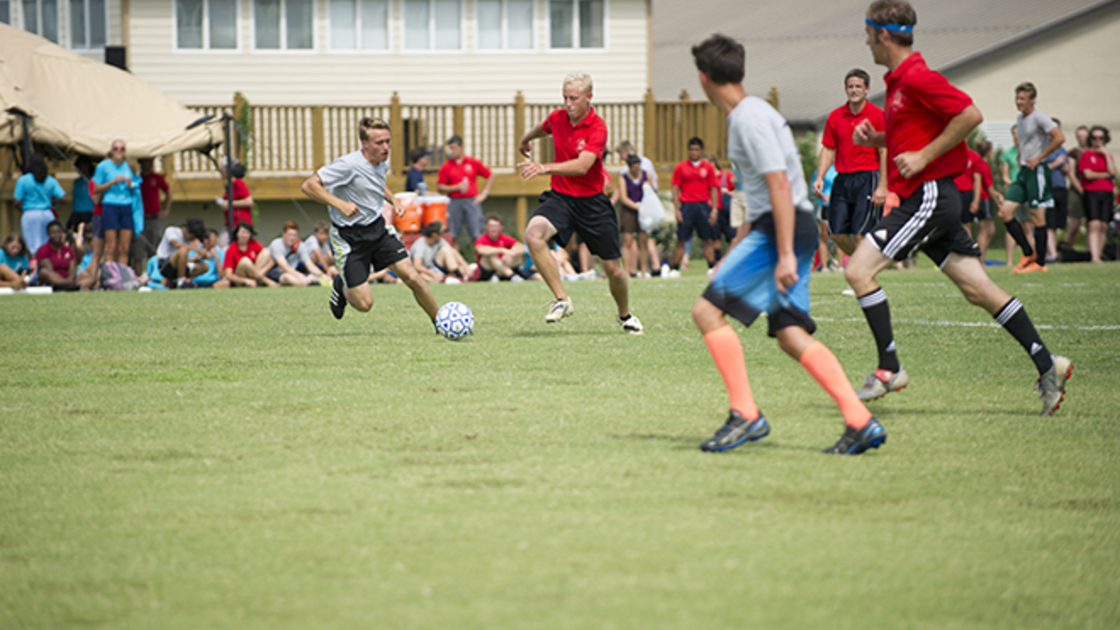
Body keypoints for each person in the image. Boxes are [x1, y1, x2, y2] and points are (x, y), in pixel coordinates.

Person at [844, 0, 1071, 416]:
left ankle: (889, 368)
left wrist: (925, 156)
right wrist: (875, 139)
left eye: (866, 34)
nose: (865, 42)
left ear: (881, 34)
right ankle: (1048, 365)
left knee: (857, 270)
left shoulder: (917, 77)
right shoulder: (898, 82)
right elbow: (911, 135)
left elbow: (970, 115)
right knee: (978, 290)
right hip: (931, 199)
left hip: (929, 195)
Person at [688, 34, 884, 455]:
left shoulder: (746, 118)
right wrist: (736, 248)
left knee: (706, 312)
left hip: (783, 228)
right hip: (787, 225)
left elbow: (779, 183)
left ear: (704, 78)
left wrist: (784, 255)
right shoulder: (754, 111)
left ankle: (745, 414)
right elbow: (763, 191)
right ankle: (860, 420)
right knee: (791, 334)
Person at [517, 72, 643, 334]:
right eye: (565, 98)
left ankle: (625, 315)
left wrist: (544, 167)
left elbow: (583, 166)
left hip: (592, 204)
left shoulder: (598, 127)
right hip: (561, 198)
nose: (568, 103)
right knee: (533, 235)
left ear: (588, 98)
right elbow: (544, 128)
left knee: (614, 271)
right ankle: (562, 300)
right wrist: (526, 139)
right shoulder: (557, 118)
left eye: (573, 98)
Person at [300, 117, 440, 325]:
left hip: (377, 229)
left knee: (411, 276)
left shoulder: (381, 162)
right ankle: (341, 284)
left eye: (388, 141)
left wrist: (393, 200)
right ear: (365, 144)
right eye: (379, 143)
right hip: (349, 238)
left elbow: (376, 183)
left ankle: (441, 323)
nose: (386, 147)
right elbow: (309, 185)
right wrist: (340, 204)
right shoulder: (348, 165)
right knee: (365, 304)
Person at [812, 68, 888, 257]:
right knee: (836, 234)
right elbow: (828, 148)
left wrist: (883, 186)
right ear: (846, 89)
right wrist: (820, 177)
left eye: (858, 86)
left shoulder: (877, 115)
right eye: (850, 87)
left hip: (868, 177)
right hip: (843, 179)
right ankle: (861, 267)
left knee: (860, 234)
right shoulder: (835, 116)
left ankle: (861, 276)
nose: (854, 90)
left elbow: (884, 150)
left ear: (867, 89)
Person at [996, 83, 1065, 273]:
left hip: (1038, 171)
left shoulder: (1040, 117)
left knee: (1037, 218)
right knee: (1005, 213)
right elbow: (1023, 142)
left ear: (1032, 100)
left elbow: (1059, 138)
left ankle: (1040, 263)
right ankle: (1028, 253)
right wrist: (1020, 155)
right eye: (1017, 98)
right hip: (1024, 171)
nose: (1018, 102)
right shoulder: (1020, 118)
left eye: (1022, 99)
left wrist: (1039, 157)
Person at [669, 137, 720, 275]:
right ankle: (675, 268)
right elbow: (675, 188)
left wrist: (714, 209)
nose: (694, 152)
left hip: (703, 206)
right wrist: (676, 209)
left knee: (707, 239)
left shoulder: (708, 167)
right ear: (688, 150)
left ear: (701, 151)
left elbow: (713, 188)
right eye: (691, 149)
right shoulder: (680, 167)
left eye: (697, 149)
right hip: (686, 206)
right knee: (681, 239)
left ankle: (711, 267)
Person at [437, 135, 493, 248]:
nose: (452, 151)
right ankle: (455, 263)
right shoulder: (446, 166)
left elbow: (490, 175)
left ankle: (479, 262)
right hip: (454, 201)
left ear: (461, 147)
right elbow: (440, 186)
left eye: (454, 148)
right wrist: (456, 187)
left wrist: (484, 193)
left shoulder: (472, 162)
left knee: (476, 234)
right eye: (450, 148)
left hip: (471, 200)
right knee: (454, 234)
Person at [92, 140, 137, 267]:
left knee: (124, 248)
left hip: (126, 205)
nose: (119, 151)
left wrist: (130, 185)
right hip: (110, 205)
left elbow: (136, 188)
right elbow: (96, 189)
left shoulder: (129, 166)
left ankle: (122, 278)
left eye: (122, 149)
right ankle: (110, 277)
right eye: (116, 148)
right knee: (111, 247)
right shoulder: (103, 166)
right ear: (111, 150)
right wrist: (112, 182)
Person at [14, 153, 67, 254]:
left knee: (32, 246)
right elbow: (63, 198)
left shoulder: (24, 180)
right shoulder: (50, 180)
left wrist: (24, 209)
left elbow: (17, 202)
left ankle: (35, 267)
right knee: (48, 244)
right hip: (47, 213)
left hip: (30, 214)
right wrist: (53, 205)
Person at [1078, 126, 1117, 263]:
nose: (1097, 141)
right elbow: (1088, 174)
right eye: (1094, 138)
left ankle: (1099, 255)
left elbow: (1113, 172)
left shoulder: (1108, 156)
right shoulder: (1087, 155)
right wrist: (1105, 174)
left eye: (1100, 138)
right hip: (1092, 192)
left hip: (1106, 192)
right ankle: (1093, 256)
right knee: (1094, 224)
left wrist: (1105, 154)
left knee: (1104, 225)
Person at [131, 157, 173, 272]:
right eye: (145, 163)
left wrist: (166, 210)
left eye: (150, 162)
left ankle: (154, 275)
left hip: (154, 219)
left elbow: (168, 191)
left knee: (154, 249)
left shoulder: (157, 178)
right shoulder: (136, 179)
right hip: (140, 220)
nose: (148, 165)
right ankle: (138, 276)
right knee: (138, 252)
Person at [617, 154, 655, 278]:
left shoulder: (646, 175)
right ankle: (627, 272)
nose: (636, 171)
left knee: (643, 242)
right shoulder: (623, 178)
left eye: (637, 168)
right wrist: (638, 207)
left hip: (645, 212)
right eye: (633, 168)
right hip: (629, 211)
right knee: (627, 241)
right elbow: (623, 198)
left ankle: (644, 271)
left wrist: (649, 186)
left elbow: (651, 192)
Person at [964, 141, 1002, 260]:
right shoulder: (983, 164)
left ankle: (980, 257)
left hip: (983, 197)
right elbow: (988, 187)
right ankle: (979, 258)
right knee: (986, 231)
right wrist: (997, 203)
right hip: (984, 199)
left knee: (989, 230)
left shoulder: (980, 162)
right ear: (989, 152)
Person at [474, 214, 533, 282]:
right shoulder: (481, 239)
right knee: (491, 255)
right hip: (487, 270)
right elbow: (480, 250)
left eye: (496, 226)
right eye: (491, 226)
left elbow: (521, 247)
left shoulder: (504, 237)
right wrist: (502, 250)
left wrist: (511, 253)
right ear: (486, 227)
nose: (493, 229)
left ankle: (498, 275)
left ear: (500, 227)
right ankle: (512, 275)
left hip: (504, 265)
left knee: (517, 254)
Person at [222, 221, 278, 287]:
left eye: (247, 232)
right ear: (237, 234)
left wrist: (260, 273)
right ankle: (266, 281)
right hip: (240, 278)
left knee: (266, 252)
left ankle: (257, 278)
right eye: (243, 232)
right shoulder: (231, 249)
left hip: (253, 275)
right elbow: (228, 275)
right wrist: (246, 280)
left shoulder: (254, 243)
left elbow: (271, 262)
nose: (245, 235)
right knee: (245, 261)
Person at [263, 221, 317, 286]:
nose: (292, 238)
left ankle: (307, 281)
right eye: (290, 235)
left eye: (294, 235)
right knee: (288, 277)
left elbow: (310, 265)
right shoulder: (276, 244)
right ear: (283, 234)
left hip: (292, 273)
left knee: (313, 276)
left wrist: (323, 275)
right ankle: (306, 282)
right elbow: (284, 267)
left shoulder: (300, 245)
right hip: (275, 273)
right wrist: (301, 276)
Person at [32, 221, 78, 289]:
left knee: (90, 278)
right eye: (53, 233)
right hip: (51, 281)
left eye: (59, 232)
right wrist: (65, 282)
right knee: (43, 272)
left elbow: (72, 268)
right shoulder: (43, 250)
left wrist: (70, 279)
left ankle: (67, 286)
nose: (57, 235)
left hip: (68, 280)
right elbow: (50, 270)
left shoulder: (69, 250)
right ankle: (67, 286)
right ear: (48, 233)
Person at [218, 158, 253, 229]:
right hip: (231, 223)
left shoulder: (238, 182)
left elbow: (249, 201)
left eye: (223, 169)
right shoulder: (231, 184)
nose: (221, 171)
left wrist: (228, 203)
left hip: (239, 222)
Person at [67, 156, 95, 231]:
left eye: (83, 166)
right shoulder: (76, 182)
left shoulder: (93, 180)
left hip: (89, 213)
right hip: (76, 212)